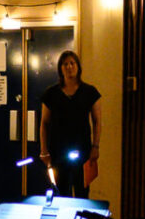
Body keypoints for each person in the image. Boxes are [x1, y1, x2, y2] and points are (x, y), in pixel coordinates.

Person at [37, 51, 102, 197]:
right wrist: (44, 150)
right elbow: (44, 123)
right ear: (60, 68)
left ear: (78, 66)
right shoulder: (51, 93)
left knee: (82, 192)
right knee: (60, 191)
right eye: (65, 64)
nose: (69, 67)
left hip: (83, 149)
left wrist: (95, 146)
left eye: (72, 63)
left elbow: (97, 122)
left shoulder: (90, 92)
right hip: (58, 150)